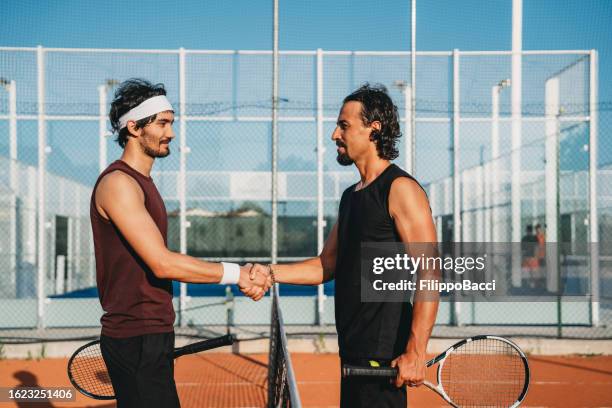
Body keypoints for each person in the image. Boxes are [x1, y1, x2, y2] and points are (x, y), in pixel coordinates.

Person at [251, 84, 439, 407]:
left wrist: (416, 350)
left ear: (373, 130)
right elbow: (327, 264)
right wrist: (270, 273)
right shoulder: (350, 197)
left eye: (344, 125)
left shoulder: (400, 189)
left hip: (383, 359)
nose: (334, 134)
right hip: (351, 353)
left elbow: (430, 272)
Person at [90, 78, 271, 408]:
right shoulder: (119, 184)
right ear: (133, 126)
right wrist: (239, 274)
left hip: (151, 333)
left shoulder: (143, 183)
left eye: (171, 122)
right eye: (162, 123)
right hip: (135, 336)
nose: (170, 132)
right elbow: (162, 262)